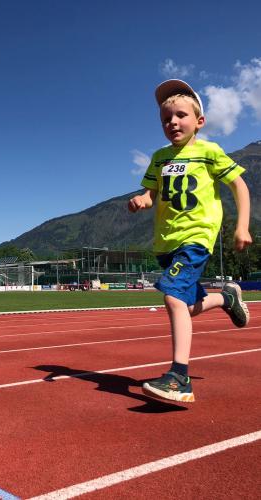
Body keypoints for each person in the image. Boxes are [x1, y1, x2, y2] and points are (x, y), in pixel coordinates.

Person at [128, 79, 252, 403]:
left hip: (197, 236)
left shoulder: (209, 152)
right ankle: (227, 300)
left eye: (180, 115)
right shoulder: (159, 157)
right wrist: (143, 200)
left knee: (171, 298)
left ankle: (179, 377)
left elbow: (239, 186)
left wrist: (242, 227)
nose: (172, 122)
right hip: (165, 242)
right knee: (186, 304)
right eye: (166, 119)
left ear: (199, 121)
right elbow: (152, 192)